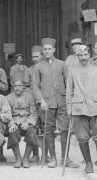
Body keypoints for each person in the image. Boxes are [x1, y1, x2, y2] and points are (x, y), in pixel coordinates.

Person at [31, 38, 79, 169]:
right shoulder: (38, 66)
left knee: (65, 130)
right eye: (45, 49)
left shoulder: (62, 64)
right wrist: (41, 101)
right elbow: (35, 87)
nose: (47, 51)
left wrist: (69, 101)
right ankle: (52, 158)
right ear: (43, 51)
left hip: (62, 102)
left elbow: (69, 83)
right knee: (48, 130)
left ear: (54, 50)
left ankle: (65, 158)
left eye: (49, 49)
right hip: (47, 103)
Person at [66, 45, 97, 175]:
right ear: (77, 57)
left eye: (85, 55)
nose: (83, 58)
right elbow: (69, 92)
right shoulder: (72, 71)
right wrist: (69, 109)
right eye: (80, 55)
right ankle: (88, 164)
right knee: (82, 138)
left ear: (89, 55)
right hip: (78, 109)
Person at [7, 79, 39, 168]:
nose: (17, 88)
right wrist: (11, 123)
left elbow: (34, 113)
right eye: (15, 86)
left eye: (20, 86)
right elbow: (7, 113)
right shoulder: (8, 98)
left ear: (23, 87)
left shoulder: (30, 97)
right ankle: (18, 159)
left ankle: (25, 158)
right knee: (12, 132)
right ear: (13, 87)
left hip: (27, 121)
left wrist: (28, 123)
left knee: (32, 133)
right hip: (15, 122)